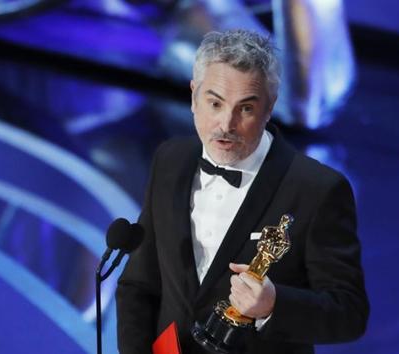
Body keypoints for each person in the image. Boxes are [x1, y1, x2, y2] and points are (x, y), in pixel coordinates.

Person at [116, 29, 369, 354]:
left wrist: (273, 305)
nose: (226, 124)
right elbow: (139, 284)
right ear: (194, 97)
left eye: (245, 109)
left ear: (269, 106)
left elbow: (349, 313)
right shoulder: (170, 160)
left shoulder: (317, 190)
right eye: (215, 103)